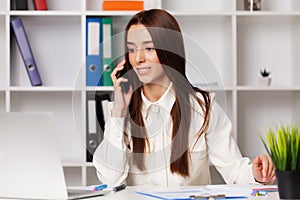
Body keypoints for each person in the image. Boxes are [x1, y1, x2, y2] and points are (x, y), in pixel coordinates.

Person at [93, 9, 276, 186]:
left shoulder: (203, 107)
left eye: (148, 48)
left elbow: (234, 169)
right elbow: (110, 179)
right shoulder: (122, 110)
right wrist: (119, 111)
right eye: (131, 50)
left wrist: (256, 173)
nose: (138, 58)